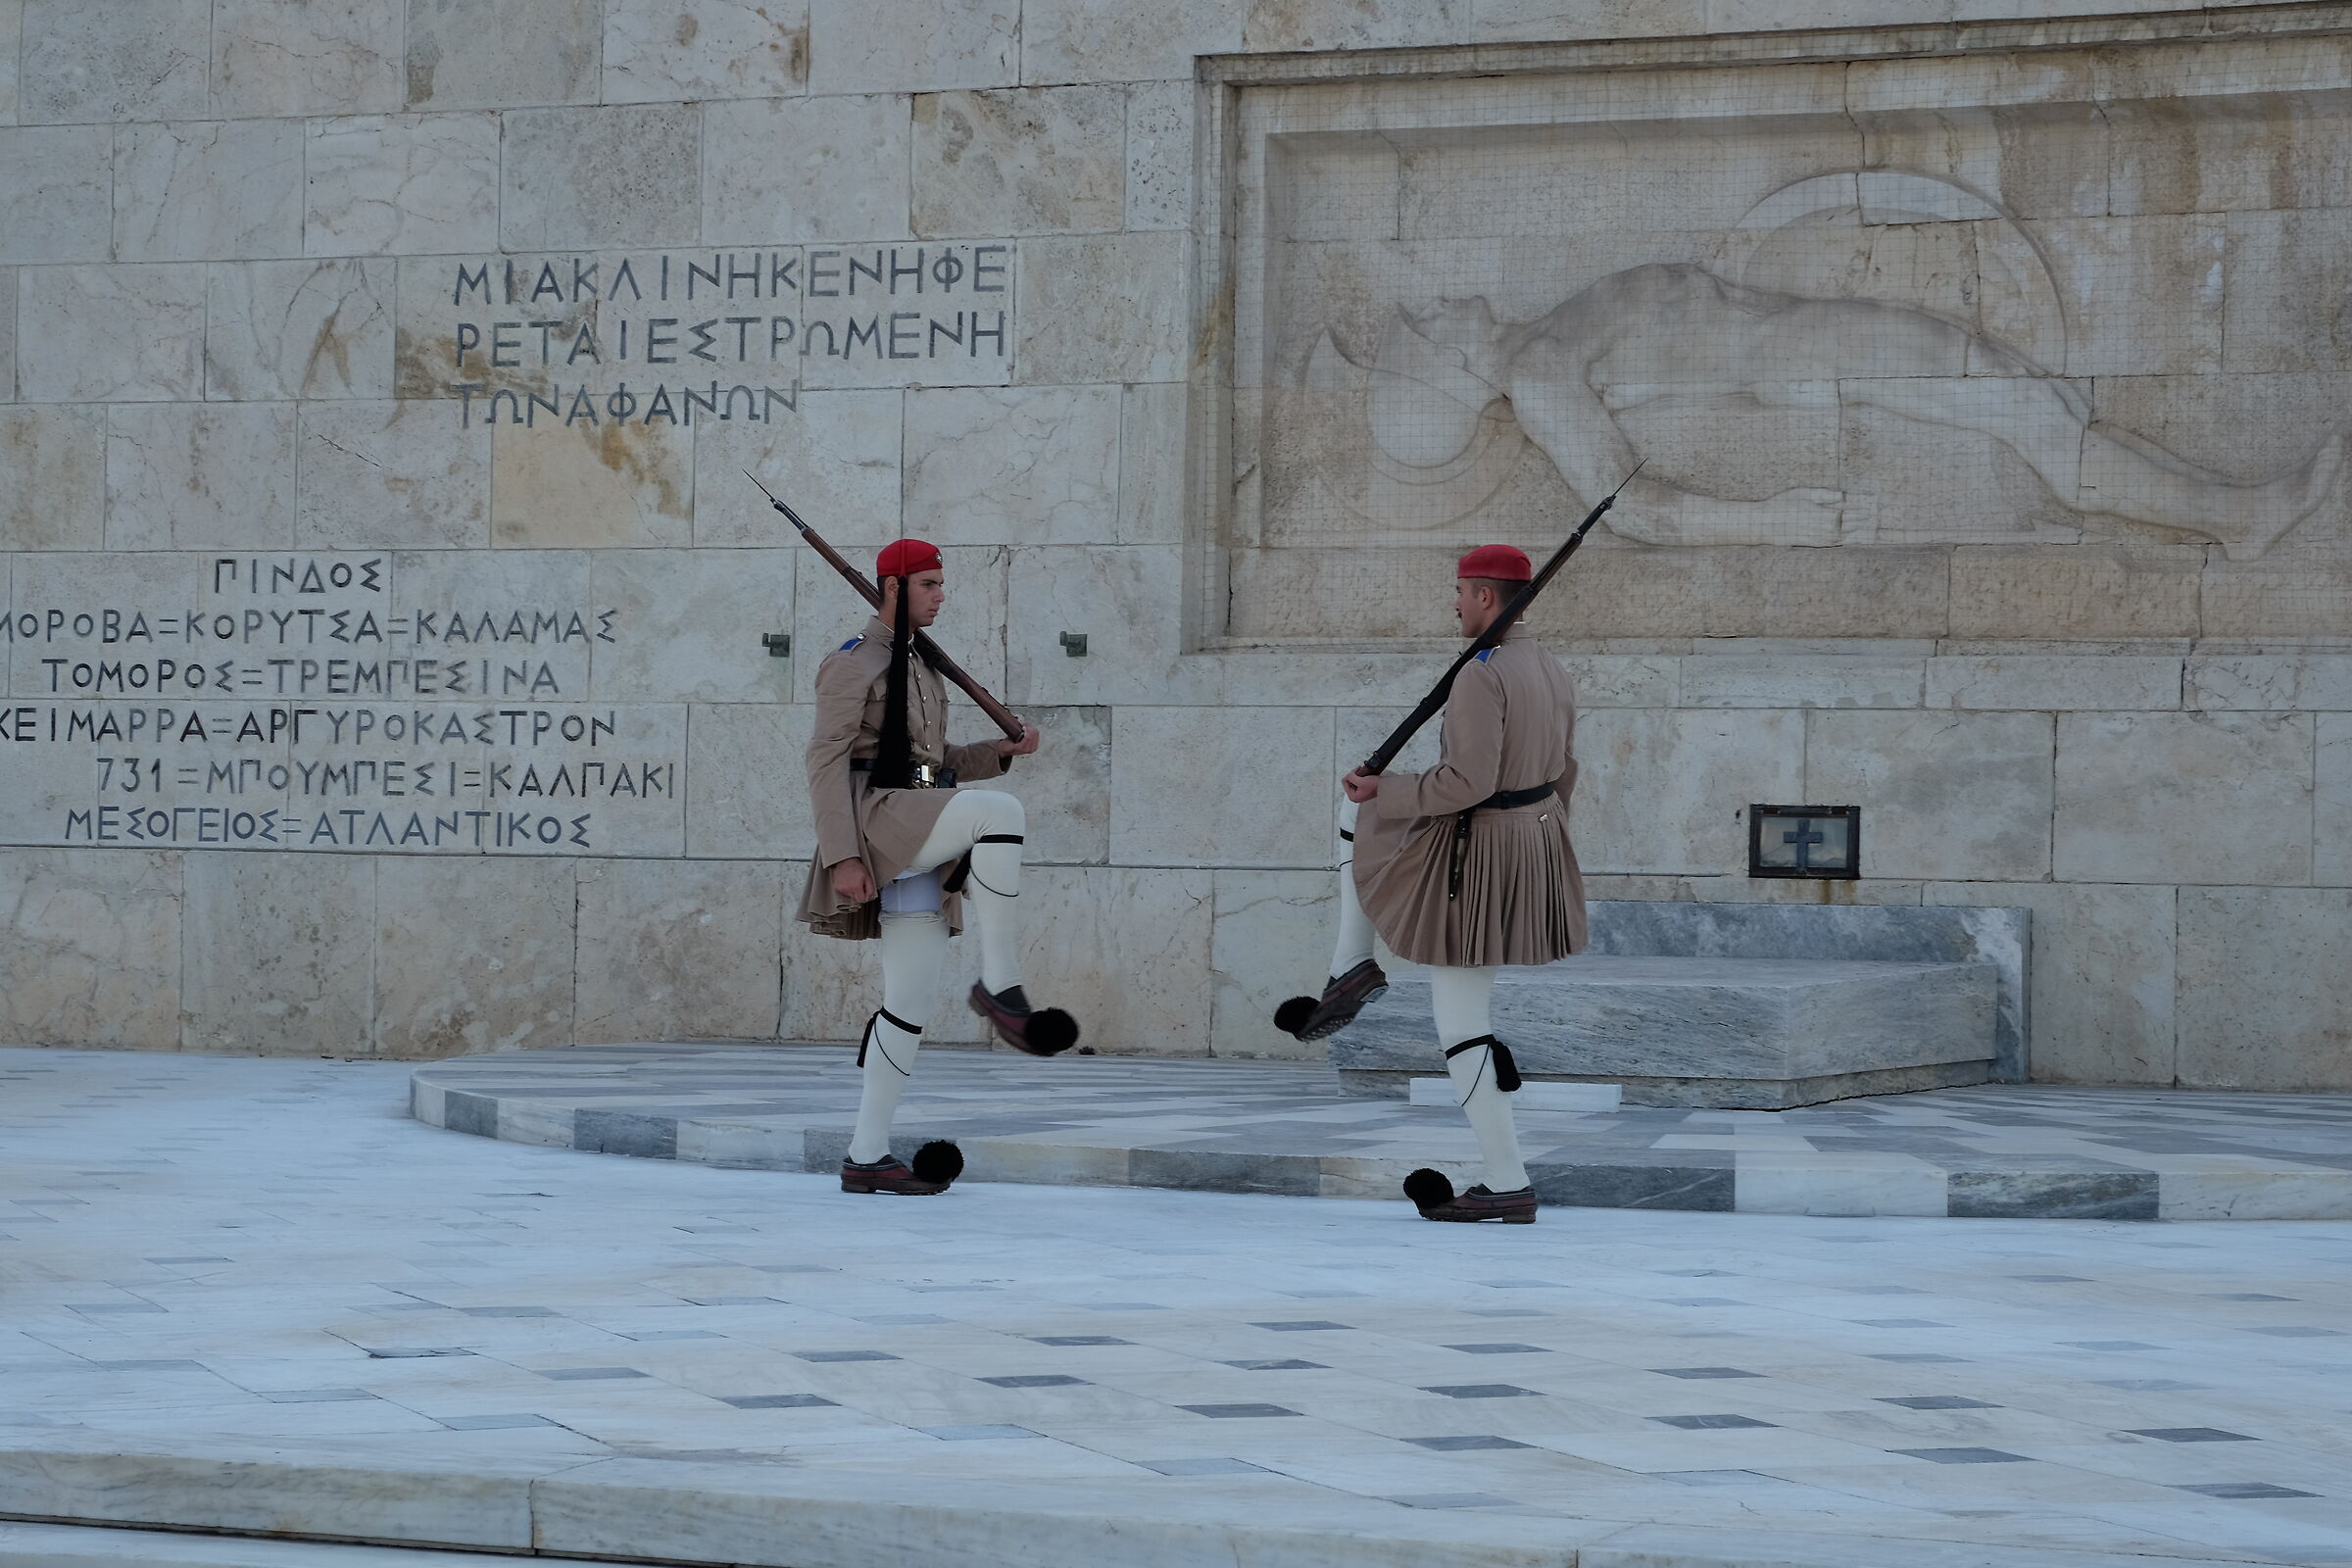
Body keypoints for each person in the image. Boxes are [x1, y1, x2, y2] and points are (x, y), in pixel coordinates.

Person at [1280, 544, 1586, 1224]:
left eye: (1459, 592)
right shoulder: (1550, 666)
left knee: (1463, 1028)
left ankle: (1507, 1183)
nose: (1455, 604)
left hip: (1480, 855)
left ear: (1485, 596)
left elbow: (1467, 783)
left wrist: (1386, 788)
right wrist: (1539, 840)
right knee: (1361, 822)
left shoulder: (1482, 674)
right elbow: (1565, 770)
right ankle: (1351, 965)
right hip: (1531, 842)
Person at [799, 537, 1078, 1197]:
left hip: (919, 819)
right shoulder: (852, 662)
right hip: (879, 820)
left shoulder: (920, 663)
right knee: (999, 813)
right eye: (928, 584)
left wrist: (1001, 750)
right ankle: (1001, 989)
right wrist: (843, 856)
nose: (941, 596)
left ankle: (866, 1156)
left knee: (907, 1005)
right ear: (893, 587)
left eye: (940, 584)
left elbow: (934, 760)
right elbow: (824, 762)